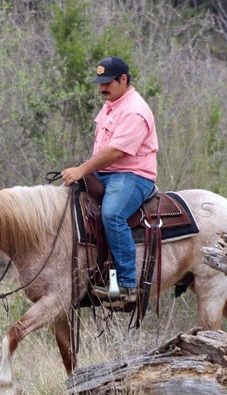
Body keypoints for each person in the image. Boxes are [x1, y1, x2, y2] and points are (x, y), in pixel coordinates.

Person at [61, 56, 159, 303]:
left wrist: (82, 169)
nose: (102, 88)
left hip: (132, 175)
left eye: (107, 82)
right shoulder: (112, 103)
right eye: (100, 83)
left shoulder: (135, 111)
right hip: (106, 172)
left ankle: (126, 286)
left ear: (123, 79)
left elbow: (116, 152)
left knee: (112, 214)